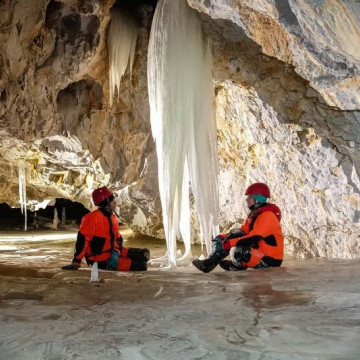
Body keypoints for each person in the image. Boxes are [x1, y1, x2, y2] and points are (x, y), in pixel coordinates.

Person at [192, 182, 283, 273]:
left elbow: (253, 238)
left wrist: (229, 243)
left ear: (258, 199)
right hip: (260, 252)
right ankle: (209, 263)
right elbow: (243, 231)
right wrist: (223, 238)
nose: (247, 199)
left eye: (250, 197)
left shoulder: (268, 216)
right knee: (234, 233)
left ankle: (237, 266)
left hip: (270, 260)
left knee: (240, 250)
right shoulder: (256, 214)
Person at [61, 186, 150, 272]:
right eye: (112, 201)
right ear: (106, 203)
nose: (115, 202)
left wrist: (116, 251)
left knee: (144, 254)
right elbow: (82, 241)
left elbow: (118, 238)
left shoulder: (112, 217)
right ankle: (115, 262)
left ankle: (119, 257)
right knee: (141, 266)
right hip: (98, 259)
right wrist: (76, 261)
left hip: (112, 251)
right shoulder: (91, 218)